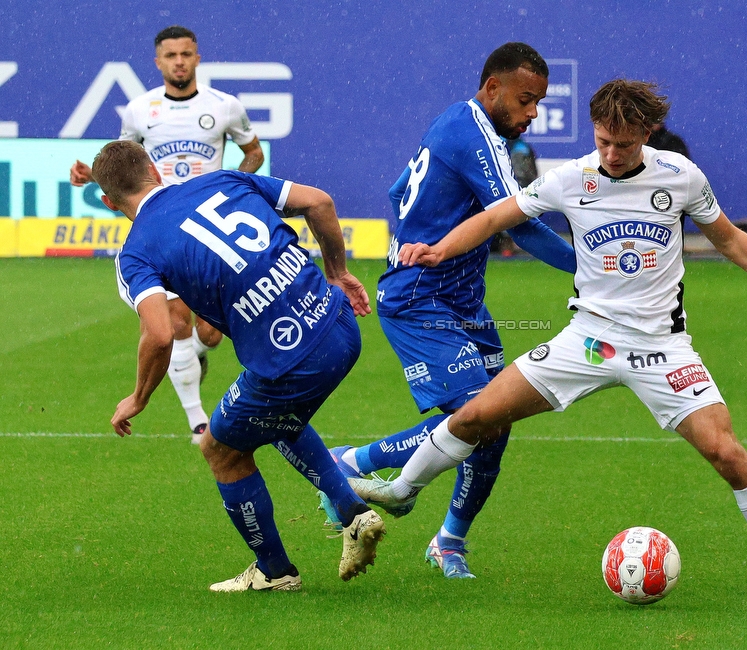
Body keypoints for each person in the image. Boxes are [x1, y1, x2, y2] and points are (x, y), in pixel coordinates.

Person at [355, 79, 747, 595]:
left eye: (625, 144)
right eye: (603, 141)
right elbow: (496, 217)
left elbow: (728, 238)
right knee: (477, 414)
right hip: (586, 340)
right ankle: (403, 489)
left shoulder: (681, 177)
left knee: (726, 453)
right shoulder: (572, 178)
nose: (612, 154)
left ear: (647, 133)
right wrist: (438, 250)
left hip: (662, 349)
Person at [319, 43, 576, 580]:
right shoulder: (473, 131)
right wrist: (589, 269)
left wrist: (420, 232)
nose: (533, 114)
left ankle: (448, 542)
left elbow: (397, 192)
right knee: (480, 414)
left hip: (461, 300)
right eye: (527, 101)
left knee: (494, 423)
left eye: (540, 103)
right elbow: (519, 223)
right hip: (419, 298)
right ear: (491, 90)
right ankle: (353, 463)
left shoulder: (466, 128)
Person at [92, 140, 385, 591]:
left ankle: (274, 571)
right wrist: (337, 272)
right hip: (341, 326)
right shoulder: (221, 179)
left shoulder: (135, 254)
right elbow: (319, 202)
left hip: (290, 361)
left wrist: (138, 397)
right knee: (273, 418)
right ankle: (353, 514)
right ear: (154, 168)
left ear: (110, 202)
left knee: (219, 448)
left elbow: (160, 333)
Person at [70, 25, 266, 444]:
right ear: (158, 62)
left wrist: (229, 186)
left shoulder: (225, 106)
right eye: (171, 55)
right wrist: (91, 176)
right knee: (175, 323)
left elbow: (254, 153)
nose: (179, 61)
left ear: (197, 58)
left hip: (207, 227)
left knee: (210, 333)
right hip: (162, 230)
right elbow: (120, 167)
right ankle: (198, 421)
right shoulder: (140, 111)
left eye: (186, 54)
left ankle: (187, 357)